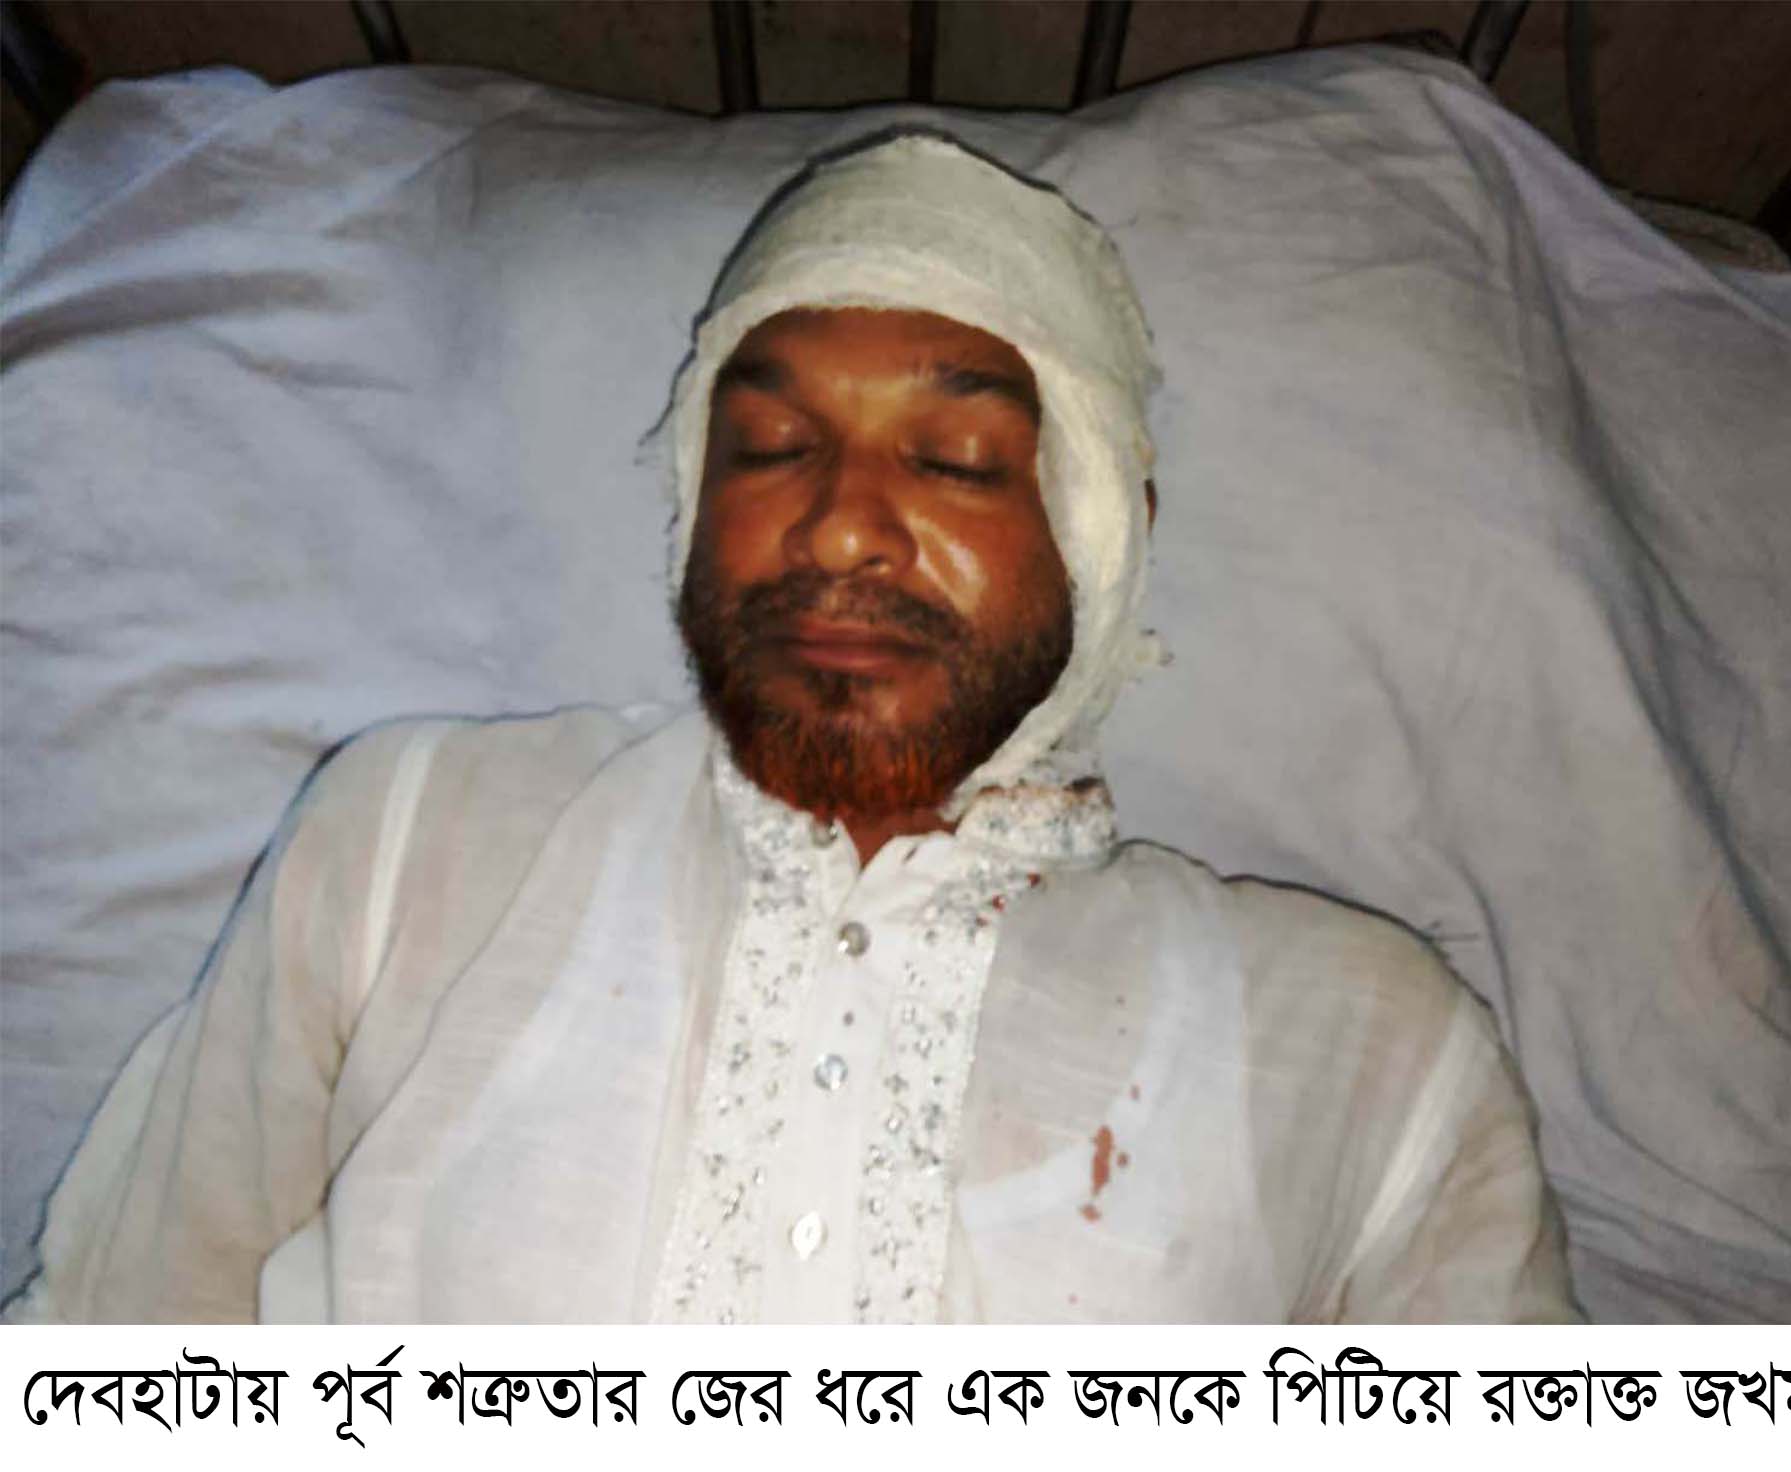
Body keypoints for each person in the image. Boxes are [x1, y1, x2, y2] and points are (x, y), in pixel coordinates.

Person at [6, 130, 1575, 1324]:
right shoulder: (412, 838)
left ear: (1103, 535)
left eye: (953, 461)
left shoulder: (1375, 1049)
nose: (838, 528)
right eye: (767, 445)